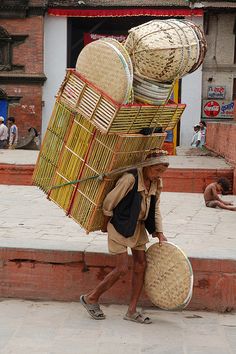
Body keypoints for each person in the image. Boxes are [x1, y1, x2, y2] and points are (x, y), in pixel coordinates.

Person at [80, 151, 169, 324]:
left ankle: (132, 311)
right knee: (122, 268)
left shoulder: (157, 183)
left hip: (139, 228)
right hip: (120, 225)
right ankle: (91, 298)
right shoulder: (130, 179)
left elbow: (155, 208)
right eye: (156, 170)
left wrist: (159, 232)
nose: (159, 175)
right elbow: (109, 202)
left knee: (141, 265)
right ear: (147, 166)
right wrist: (106, 225)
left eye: (162, 172)